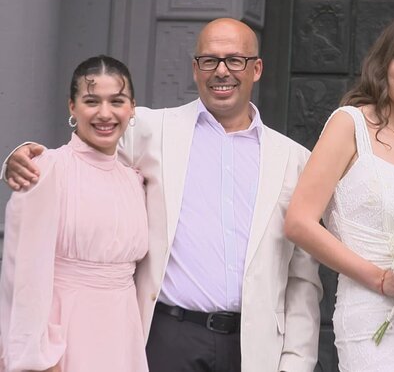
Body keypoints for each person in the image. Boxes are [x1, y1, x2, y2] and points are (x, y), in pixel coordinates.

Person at [2, 18, 322, 372]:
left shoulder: (293, 160)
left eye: (235, 60)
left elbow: (302, 278)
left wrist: (296, 362)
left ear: (256, 68)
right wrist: (17, 160)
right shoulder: (151, 129)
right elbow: (85, 149)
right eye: (209, 60)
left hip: (254, 346)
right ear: (195, 68)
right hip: (168, 337)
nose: (221, 71)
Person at [284, 11, 394, 371]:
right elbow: (299, 222)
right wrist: (378, 278)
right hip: (371, 316)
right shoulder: (349, 124)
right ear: (385, 60)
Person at [0, 56, 148, 371]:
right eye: (92, 101)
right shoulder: (47, 169)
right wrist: (36, 356)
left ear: (132, 107)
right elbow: (22, 273)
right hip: (64, 336)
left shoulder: (134, 178)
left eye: (117, 101)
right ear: (72, 107)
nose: (105, 113)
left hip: (123, 333)